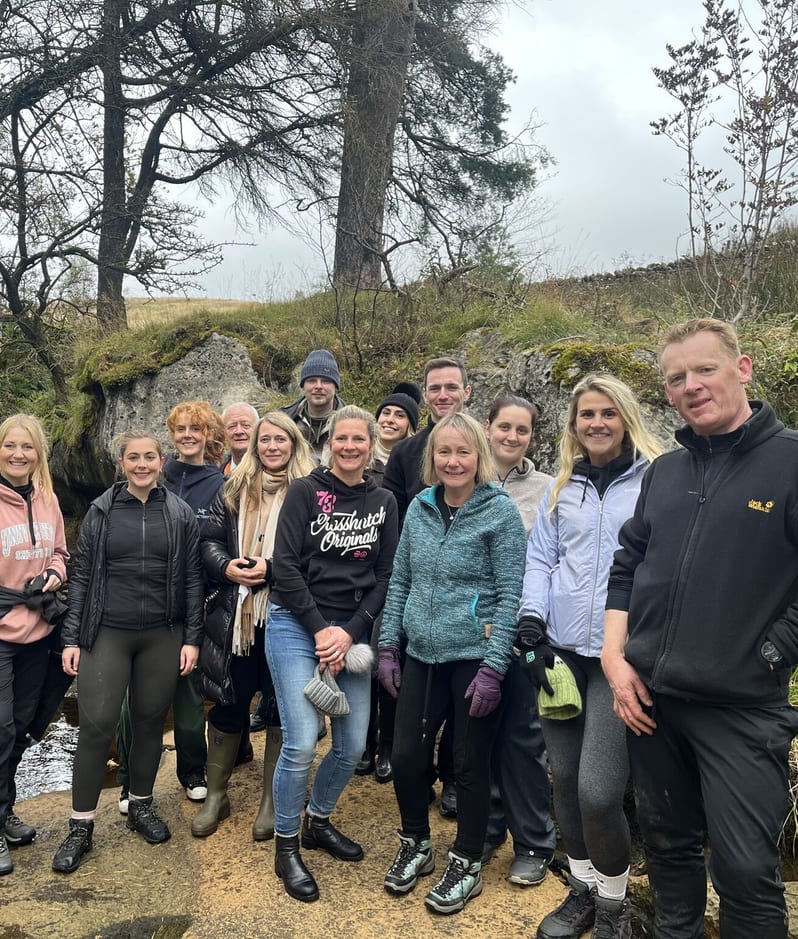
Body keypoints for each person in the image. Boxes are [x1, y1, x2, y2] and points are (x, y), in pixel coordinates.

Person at [602, 318, 798, 939]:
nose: (690, 386)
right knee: (667, 848)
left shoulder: (790, 461)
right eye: (676, 377)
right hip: (653, 702)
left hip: (741, 708)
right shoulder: (665, 472)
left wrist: (772, 651)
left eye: (704, 370)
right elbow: (627, 566)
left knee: (744, 869)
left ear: (741, 370)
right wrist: (615, 659)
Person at [519, 375, 662, 939]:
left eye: (607, 413)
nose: (597, 423)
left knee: (599, 791)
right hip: (559, 655)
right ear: (573, 425)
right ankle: (581, 888)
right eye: (586, 416)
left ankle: (614, 905)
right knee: (564, 781)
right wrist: (531, 623)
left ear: (625, 416)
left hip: (618, 658)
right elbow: (541, 560)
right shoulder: (563, 487)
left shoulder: (654, 481)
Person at [379, 412, 527, 915]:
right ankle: (416, 843)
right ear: (432, 458)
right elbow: (400, 582)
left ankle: (466, 861)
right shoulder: (419, 508)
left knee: (468, 764)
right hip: (420, 654)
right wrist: (386, 647)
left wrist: (493, 668)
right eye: (444, 452)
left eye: (463, 451)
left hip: (473, 658)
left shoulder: (499, 514)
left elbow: (511, 596)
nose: (453, 461)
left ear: (479, 456)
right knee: (406, 758)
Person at [52, 432, 203, 874]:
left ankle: (141, 805)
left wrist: (191, 638)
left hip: (162, 633)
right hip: (107, 633)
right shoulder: (101, 511)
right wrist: (72, 637)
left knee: (149, 722)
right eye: (133, 457)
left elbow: (193, 579)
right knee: (97, 726)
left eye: (149, 457)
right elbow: (80, 578)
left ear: (161, 462)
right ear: (121, 463)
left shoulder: (179, 513)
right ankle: (81, 826)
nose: (142, 464)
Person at [266, 405, 398, 903]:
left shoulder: (384, 500)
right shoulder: (304, 492)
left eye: (358, 440)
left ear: (370, 445)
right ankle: (285, 845)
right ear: (329, 443)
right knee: (301, 742)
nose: (349, 447)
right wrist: (324, 632)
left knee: (353, 746)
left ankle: (317, 821)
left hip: (354, 630)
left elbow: (386, 575)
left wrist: (351, 632)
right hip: (297, 623)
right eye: (341, 439)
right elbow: (285, 567)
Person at [194, 412, 314, 840]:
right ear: (256, 445)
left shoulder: (313, 491)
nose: (272, 447)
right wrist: (227, 567)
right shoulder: (232, 488)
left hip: (286, 614)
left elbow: (318, 556)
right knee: (229, 699)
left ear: (294, 443)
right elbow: (205, 540)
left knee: (282, 707)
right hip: (235, 614)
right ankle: (216, 795)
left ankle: (272, 799)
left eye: (281, 439)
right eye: (266, 440)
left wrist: (273, 569)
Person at [116, 401, 224, 814]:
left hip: (192, 602)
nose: (187, 435)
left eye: (195, 429)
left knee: (189, 694)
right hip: (141, 605)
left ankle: (192, 772)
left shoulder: (219, 484)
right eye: (179, 429)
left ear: (207, 434)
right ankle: (128, 780)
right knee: (134, 697)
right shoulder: (156, 477)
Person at [382, 356, 472, 818]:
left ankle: (455, 776)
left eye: (450, 387)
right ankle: (416, 775)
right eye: (434, 388)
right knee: (416, 695)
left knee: (461, 699)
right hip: (417, 585)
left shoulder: (480, 443)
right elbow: (396, 521)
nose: (442, 395)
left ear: (466, 392)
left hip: (468, 597)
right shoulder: (406, 453)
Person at [481, 395, 557, 886]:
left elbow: (548, 560)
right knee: (478, 735)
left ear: (533, 436)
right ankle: (485, 830)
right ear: (487, 427)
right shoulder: (464, 476)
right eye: (504, 426)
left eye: (521, 430)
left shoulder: (549, 488)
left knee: (525, 738)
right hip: (473, 631)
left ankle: (534, 841)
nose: (511, 437)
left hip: (525, 631)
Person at [0, 415, 68, 875]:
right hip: (1, 632)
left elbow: (62, 552)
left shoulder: (46, 498)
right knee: (0, 729)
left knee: (23, 727)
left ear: (39, 453)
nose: (18, 454)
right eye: (10, 446)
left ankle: (3, 811)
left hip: (39, 631)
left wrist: (54, 576)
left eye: (27, 447)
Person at [355, 383, 420, 781]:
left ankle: (389, 746)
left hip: (395, 574)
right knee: (360, 662)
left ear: (412, 427)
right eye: (386, 414)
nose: (390, 420)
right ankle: (363, 740)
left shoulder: (410, 463)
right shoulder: (359, 460)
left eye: (400, 415)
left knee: (388, 658)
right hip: (359, 577)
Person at [281, 350, 345, 461]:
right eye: (312, 380)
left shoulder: (353, 422)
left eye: (325, 381)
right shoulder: (283, 420)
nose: (318, 386)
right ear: (303, 385)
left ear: (335, 386)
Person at [221, 403, 258, 476]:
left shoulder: (271, 473)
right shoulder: (217, 474)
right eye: (232, 426)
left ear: (258, 430)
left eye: (246, 425)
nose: (239, 431)